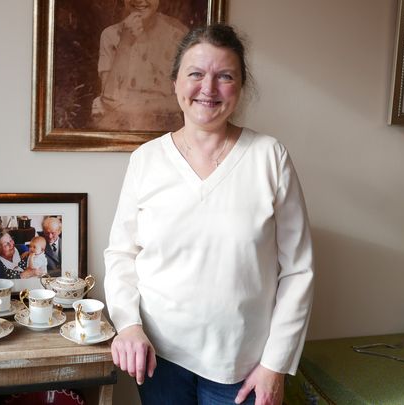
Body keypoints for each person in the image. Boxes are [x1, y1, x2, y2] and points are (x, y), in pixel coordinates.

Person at [104, 25, 314, 405]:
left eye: (225, 76)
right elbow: (122, 254)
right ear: (175, 83)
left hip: (243, 367)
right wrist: (128, 325)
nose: (208, 88)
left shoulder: (270, 157)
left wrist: (275, 365)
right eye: (196, 74)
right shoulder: (146, 161)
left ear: (241, 87)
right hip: (159, 359)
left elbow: (299, 270)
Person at [92, 0, 188, 131]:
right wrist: (125, 44)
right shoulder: (110, 35)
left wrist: (133, 106)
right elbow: (109, 99)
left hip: (164, 130)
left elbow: (183, 100)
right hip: (119, 129)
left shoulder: (177, 35)